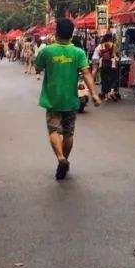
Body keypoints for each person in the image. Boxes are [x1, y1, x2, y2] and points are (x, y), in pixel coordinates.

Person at [35, 18, 101, 180]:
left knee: (53, 130)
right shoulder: (78, 53)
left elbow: (37, 69)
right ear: (71, 34)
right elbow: (86, 73)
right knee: (68, 133)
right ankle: (64, 160)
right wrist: (93, 94)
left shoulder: (47, 51)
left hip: (52, 99)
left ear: (56, 32)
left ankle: (60, 159)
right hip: (71, 100)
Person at [96, 32, 119, 101]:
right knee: (113, 78)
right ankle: (111, 92)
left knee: (104, 79)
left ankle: (106, 95)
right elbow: (113, 55)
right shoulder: (113, 45)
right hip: (111, 64)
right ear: (111, 38)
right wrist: (117, 58)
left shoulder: (101, 45)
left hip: (103, 64)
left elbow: (99, 54)